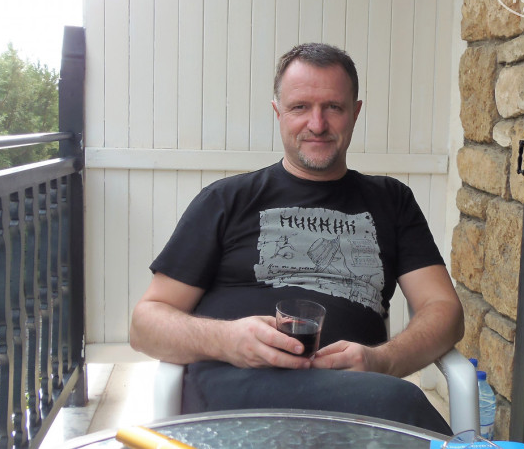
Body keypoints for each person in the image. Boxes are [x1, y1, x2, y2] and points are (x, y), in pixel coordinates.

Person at [130, 43, 464, 434]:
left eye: (333, 107)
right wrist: (227, 339)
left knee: (394, 402)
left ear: (355, 112)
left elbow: (444, 309)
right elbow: (145, 324)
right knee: (402, 405)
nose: (317, 124)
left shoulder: (392, 201)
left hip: (354, 404)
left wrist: (383, 361)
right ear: (278, 112)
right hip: (238, 396)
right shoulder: (225, 200)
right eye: (300, 107)